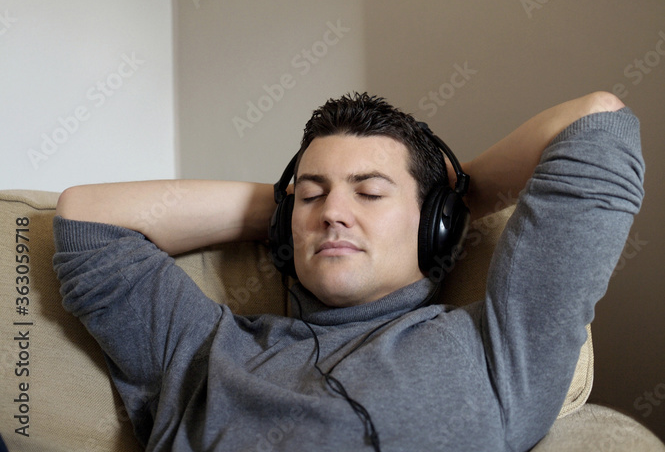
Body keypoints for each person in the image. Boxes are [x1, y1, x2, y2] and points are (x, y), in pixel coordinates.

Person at [53, 89, 644, 452]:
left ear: (433, 224)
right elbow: (87, 219)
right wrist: (284, 211)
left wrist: (455, 200)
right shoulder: (206, 349)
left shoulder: (502, 351)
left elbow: (598, 120)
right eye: (313, 195)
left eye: (370, 193)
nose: (333, 212)